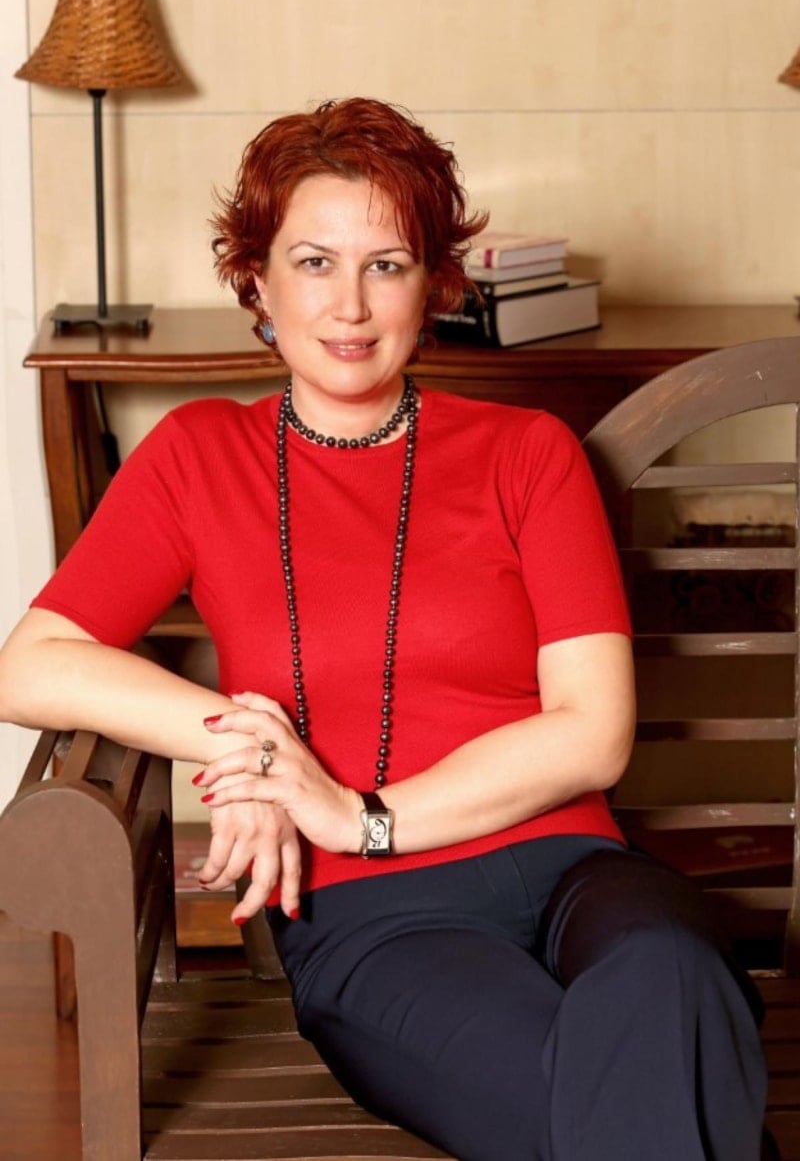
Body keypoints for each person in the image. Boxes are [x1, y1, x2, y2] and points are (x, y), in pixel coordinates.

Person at [0, 98, 768, 1160]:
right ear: (256, 280)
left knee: (670, 975)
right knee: (650, 1070)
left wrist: (358, 811)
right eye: (314, 262)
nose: (350, 305)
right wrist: (253, 742)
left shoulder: (528, 452)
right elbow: (32, 666)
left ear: (435, 285)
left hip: (573, 863)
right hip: (374, 918)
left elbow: (592, 734)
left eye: (388, 265)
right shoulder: (197, 456)